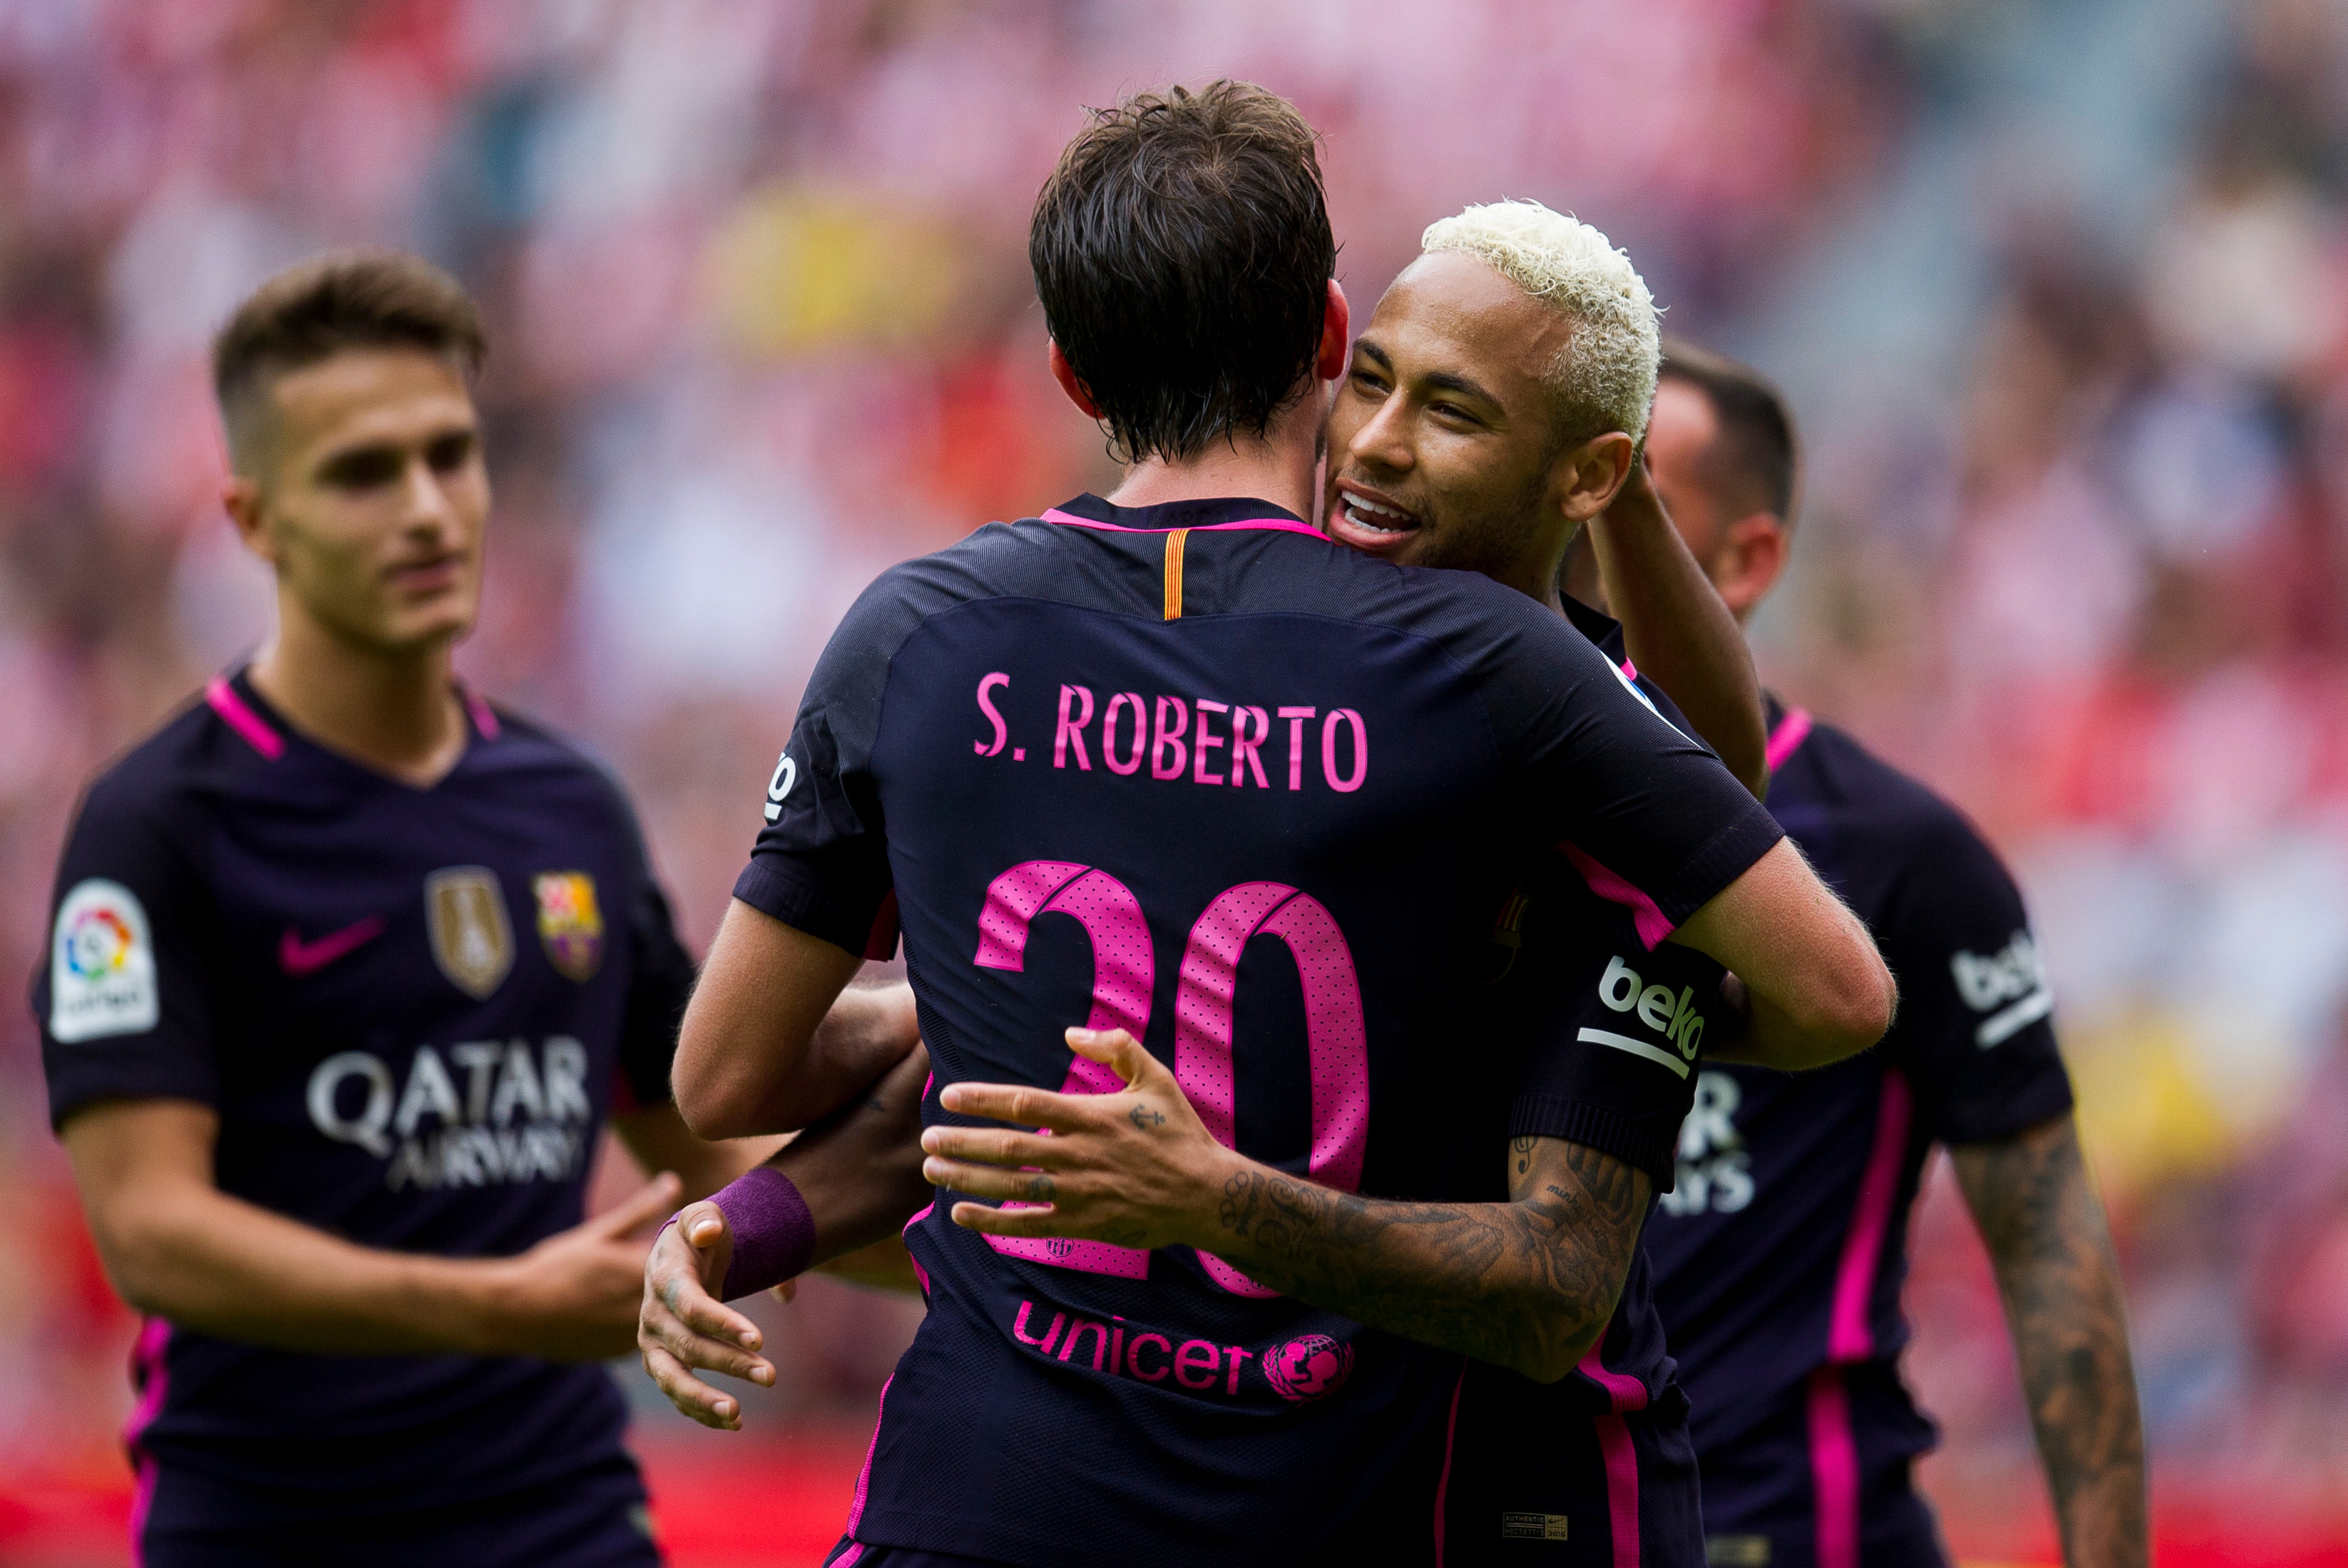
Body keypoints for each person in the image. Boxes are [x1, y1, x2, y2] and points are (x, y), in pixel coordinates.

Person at [639, 85, 1892, 1568]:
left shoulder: (917, 629)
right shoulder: (1496, 685)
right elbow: (1817, 960)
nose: (1379, 446)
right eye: (1377, 381)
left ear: (1065, 371)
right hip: (1323, 1499)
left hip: (997, 1501)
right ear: (1326, 338)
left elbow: (728, 1071)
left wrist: (930, 1044)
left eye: (1457, 406)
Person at [31, 251, 922, 1568]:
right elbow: (151, 1235)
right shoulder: (154, 825)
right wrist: (502, 1302)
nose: (428, 508)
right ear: (253, 516)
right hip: (273, 1527)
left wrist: (1027, 1262)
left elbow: (713, 1147)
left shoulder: (569, 808)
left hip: (558, 1516)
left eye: (452, 455)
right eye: (362, 471)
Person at [1571, 343, 2148, 1568]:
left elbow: (2045, 1236)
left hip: (1792, 1527)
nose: (1595, 531)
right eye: (1579, 488)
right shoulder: (1486, 815)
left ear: (1750, 560)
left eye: (1643, 505)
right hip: (1540, 1520)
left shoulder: (1904, 858)